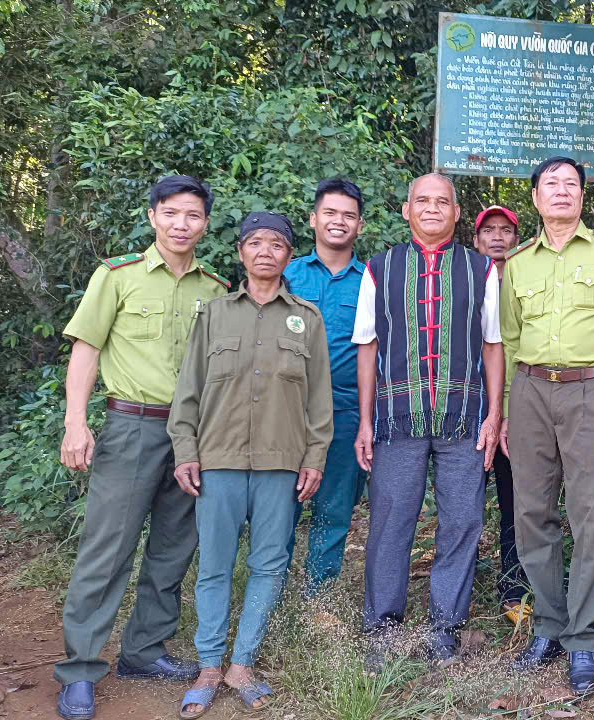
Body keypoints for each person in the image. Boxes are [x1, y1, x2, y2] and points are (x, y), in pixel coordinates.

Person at [54, 175, 229, 720]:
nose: (182, 224)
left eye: (193, 216)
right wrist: (75, 423)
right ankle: (80, 671)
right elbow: (86, 349)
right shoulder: (118, 276)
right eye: (172, 213)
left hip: (194, 436)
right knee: (107, 551)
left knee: (175, 548)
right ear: (154, 216)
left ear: (205, 224)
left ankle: (144, 651)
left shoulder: (216, 290)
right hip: (132, 426)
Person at [168, 211, 333, 717]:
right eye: (256, 243)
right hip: (216, 461)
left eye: (278, 244)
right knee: (214, 566)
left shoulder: (306, 318)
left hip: (281, 463)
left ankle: (243, 663)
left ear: (289, 255)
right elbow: (188, 390)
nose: (266, 251)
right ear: (240, 251)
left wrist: (314, 457)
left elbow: (320, 401)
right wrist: (185, 450)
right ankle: (209, 664)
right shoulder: (214, 314)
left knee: (268, 565)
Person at [499, 157, 594, 693]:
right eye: (550, 185)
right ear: (536, 199)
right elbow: (511, 339)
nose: (560, 192)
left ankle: (583, 639)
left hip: (592, 391)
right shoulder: (517, 263)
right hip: (532, 392)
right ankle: (547, 623)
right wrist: (508, 408)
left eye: (570, 185)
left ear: (583, 197)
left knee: (591, 516)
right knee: (531, 512)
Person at [351, 174, 504, 664]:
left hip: (464, 419)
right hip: (398, 417)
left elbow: (493, 345)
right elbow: (368, 346)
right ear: (405, 209)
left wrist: (494, 414)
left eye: (443, 201)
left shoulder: (481, 269)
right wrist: (366, 420)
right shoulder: (379, 269)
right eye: (423, 200)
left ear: (458, 214)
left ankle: (445, 626)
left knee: (462, 520)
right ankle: (382, 625)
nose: (433, 208)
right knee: (391, 519)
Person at [283, 178, 369, 593]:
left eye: (348, 215)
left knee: (335, 508)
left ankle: (316, 601)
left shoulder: (371, 279)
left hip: (346, 411)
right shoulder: (287, 274)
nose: (339, 222)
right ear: (313, 219)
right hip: (286, 412)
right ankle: (271, 597)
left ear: (360, 225)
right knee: (279, 507)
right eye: (330, 213)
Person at [471, 203, 533, 624]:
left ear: (516, 238)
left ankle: (515, 589)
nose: (497, 237)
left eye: (505, 231)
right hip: (468, 408)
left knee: (515, 502)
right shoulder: (464, 279)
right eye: (488, 230)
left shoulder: (526, 278)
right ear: (475, 240)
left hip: (517, 409)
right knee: (465, 503)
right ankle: (461, 587)